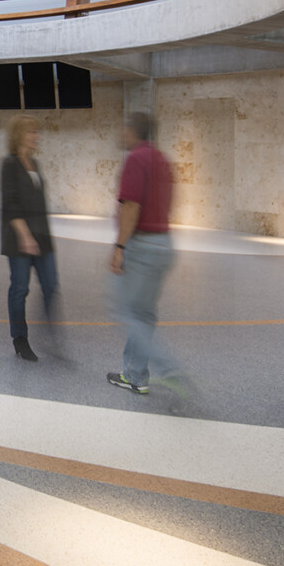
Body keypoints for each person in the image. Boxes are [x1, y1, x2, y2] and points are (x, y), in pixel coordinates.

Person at [107, 111, 180, 396]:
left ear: (132, 130)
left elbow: (131, 206)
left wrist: (120, 247)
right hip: (164, 243)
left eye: (123, 128)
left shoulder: (136, 159)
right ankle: (135, 375)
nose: (120, 133)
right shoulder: (161, 159)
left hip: (142, 246)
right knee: (144, 314)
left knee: (124, 311)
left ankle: (172, 370)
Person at [0, 114, 56, 362]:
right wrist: (24, 235)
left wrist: (41, 236)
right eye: (31, 131)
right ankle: (20, 338)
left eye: (36, 131)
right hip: (19, 238)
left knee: (51, 285)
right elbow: (10, 203)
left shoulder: (35, 163)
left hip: (42, 236)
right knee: (20, 288)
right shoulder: (9, 164)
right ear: (19, 135)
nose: (36, 136)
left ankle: (51, 335)